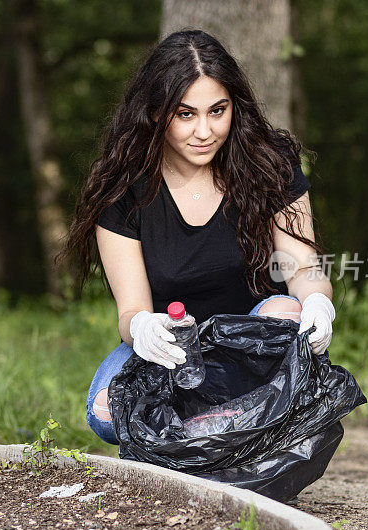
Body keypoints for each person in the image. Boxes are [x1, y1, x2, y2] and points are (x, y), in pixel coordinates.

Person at [62, 30, 335, 445]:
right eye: (185, 114)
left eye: (217, 111)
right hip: (177, 351)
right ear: (156, 114)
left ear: (234, 107)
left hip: (255, 344)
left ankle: (215, 423)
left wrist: (318, 301)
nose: (204, 131)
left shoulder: (269, 164)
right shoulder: (123, 190)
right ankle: (217, 423)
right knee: (105, 412)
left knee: (286, 310)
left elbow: (302, 269)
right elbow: (131, 309)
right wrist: (141, 327)